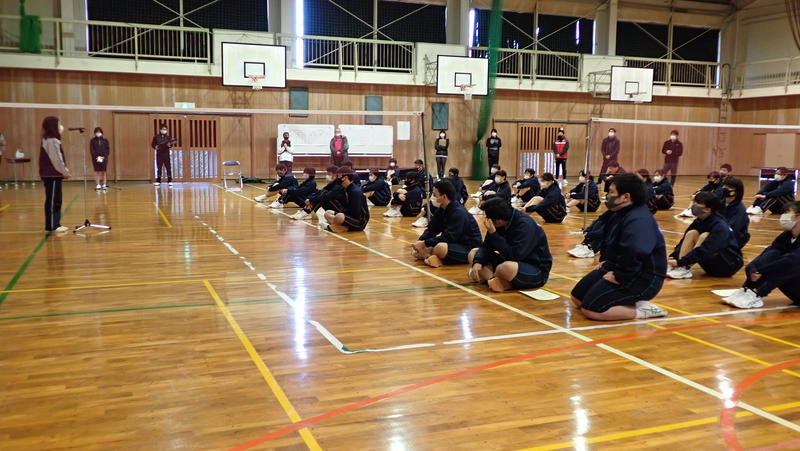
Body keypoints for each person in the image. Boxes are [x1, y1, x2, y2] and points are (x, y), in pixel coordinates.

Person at [570, 173, 668, 320]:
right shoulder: (617, 213)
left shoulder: (639, 219)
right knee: (577, 298)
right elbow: (607, 238)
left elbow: (636, 250)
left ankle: (643, 311)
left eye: (611, 192)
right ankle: (630, 302)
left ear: (625, 197)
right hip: (616, 266)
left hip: (641, 277)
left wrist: (620, 276)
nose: (607, 196)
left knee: (591, 309)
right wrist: (605, 261)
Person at [722, 201, 800, 309]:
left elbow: (791, 261)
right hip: (794, 290)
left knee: (789, 265)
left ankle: (757, 293)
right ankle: (747, 290)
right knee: (774, 255)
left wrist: (763, 270)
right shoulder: (786, 236)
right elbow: (770, 251)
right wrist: (753, 267)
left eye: (787, 212)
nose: (783, 216)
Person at [467, 197, 552, 292]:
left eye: (488, 217)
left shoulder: (525, 225)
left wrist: (494, 234)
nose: (487, 219)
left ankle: (495, 280)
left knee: (505, 268)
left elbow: (514, 256)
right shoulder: (499, 223)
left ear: (498, 220)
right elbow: (486, 246)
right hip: (508, 260)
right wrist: (478, 262)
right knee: (474, 253)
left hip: (535, 269)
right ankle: (495, 281)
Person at [666, 192, 744, 279]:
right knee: (692, 233)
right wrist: (674, 257)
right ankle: (681, 268)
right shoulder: (699, 221)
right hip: (710, 264)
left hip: (727, 265)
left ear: (707, 209)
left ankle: (684, 267)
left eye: (697, 203)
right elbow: (684, 241)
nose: (694, 205)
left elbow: (706, 249)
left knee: (705, 236)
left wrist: (681, 262)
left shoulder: (720, 226)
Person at [411, 179, 482, 267]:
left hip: (469, 247)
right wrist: (420, 242)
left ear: (444, 196)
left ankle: (435, 258)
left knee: (440, 248)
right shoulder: (441, 210)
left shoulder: (458, 212)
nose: (432, 198)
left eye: (434, 195)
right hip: (454, 243)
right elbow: (431, 230)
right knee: (418, 251)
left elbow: (449, 237)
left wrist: (424, 243)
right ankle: (433, 257)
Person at [39, 116, 71, 233]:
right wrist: (65, 172)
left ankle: (55, 223)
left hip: (54, 175)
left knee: (56, 199)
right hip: (51, 175)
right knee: (53, 200)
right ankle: (52, 225)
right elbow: (56, 159)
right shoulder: (51, 140)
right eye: (58, 124)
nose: (60, 126)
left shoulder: (51, 140)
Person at [324, 166, 369, 233]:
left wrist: (342, 214)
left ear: (345, 177)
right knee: (327, 213)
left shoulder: (355, 191)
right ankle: (342, 227)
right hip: (348, 216)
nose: (337, 178)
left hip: (359, 221)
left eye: (338, 176)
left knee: (340, 216)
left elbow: (355, 212)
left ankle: (334, 227)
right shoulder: (344, 188)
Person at [722, 177, 750, 249]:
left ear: (736, 191)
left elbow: (733, 229)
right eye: (725, 185)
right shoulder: (720, 204)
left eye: (729, 187)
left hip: (734, 239)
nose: (725, 188)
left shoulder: (739, 209)